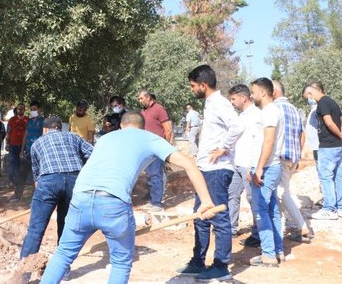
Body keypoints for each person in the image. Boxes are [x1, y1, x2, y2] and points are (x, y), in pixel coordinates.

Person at [41, 112, 218, 284]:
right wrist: (206, 201)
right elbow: (188, 163)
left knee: (63, 254)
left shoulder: (106, 138)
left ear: (121, 125)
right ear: (143, 127)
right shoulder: (149, 138)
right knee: (120, 262)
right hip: (113, 202)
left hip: (80, 198)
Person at [178, 65, 243, 281]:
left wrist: (223, 148)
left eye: (193, 85)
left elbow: (237, 127)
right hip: (206, 169)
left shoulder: (220, 104)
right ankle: (198, 262)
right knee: (200, 217)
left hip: (217, 170)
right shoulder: (210, 104)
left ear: (203, 85)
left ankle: (221, 266)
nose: (191, 89)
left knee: (219, 218)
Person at [20, 115, 92, 259]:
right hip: (75, 181)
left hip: (49, 181)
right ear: (60, 128)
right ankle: (63, 270)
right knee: (65, 227)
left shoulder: (37, 144)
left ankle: (24, 273)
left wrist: (42, 198)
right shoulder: (74, 137)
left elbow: (37, 175)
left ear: (45, 129)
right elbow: (92, 154)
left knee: (35, 229)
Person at [247, 78, 284, 267]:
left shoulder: (270, 112)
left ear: (263, 92)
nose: (251, 96)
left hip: (267, 168)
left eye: (253, 92)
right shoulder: (271, 111)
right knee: (271, 209)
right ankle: (277, 250)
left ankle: (268, 254)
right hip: (269, 167)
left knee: (261, 210)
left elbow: (268, 142)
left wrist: (259, 167)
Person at [273, 80, 312, 242]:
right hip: (292, 157)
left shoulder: (274, 109)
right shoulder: (294, 109)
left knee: (281, 193)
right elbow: (302, 135)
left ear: (273, 92)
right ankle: (281, 229)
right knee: (282, 192)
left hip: (280, 157)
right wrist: (298, 156)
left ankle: (302, 227)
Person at [227, 85, 261, 245]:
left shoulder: (255, 116)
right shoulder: (242, 116)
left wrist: (251, 166)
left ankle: (258, 235)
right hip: (237, 164)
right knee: (232, 194)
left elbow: (257, 143)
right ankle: (231, 228)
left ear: (243, 97)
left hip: (247, 165)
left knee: (252, 199)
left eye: (233, 98)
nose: (232, 102)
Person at [304, 81, 342, 219]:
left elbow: (329, 122)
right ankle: (339, 207)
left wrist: (340, 134)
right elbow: (340, 120)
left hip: (328, 145)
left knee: (326, 177)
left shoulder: (322, 103)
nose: (308, 99)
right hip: (338, 145)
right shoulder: (332, 102)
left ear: (310, 92)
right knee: (338, 176)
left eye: (307, 96)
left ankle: (329, 209)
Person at [137, 90, 172, 211]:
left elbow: (168, 129)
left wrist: (166, 148)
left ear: (148, 97)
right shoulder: (143, 112)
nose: (139, 101)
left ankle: (157, 203)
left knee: (156, 175)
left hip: (158, 148)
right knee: (150, 175)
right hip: (147, 149)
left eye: (141, 98)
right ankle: (152, 200)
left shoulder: (159, 109)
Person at [11, 101, 44, 201]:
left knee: (37, 176)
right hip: (28, 151)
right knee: (21, 174)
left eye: (35, 109)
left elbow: (44, 135)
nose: (33, 111)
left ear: (39, 110)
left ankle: (35, 198)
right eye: (32, 109)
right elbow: (25, 135)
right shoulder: (29, 121)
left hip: (38, 152)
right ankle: (17, 196)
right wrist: (22, 149)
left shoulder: (43, 121)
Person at [7, 103, 28, 184]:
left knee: (22, 163)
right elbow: (8, 132)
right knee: (12, 163)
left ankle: (20, 180)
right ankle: (11, 180)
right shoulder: (12, 119)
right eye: (18, 108)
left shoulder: (27, 120)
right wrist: (7, 143)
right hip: (13, 145)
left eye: (22, 109)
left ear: (24, 110)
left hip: (24, 145)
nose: (20, 110)